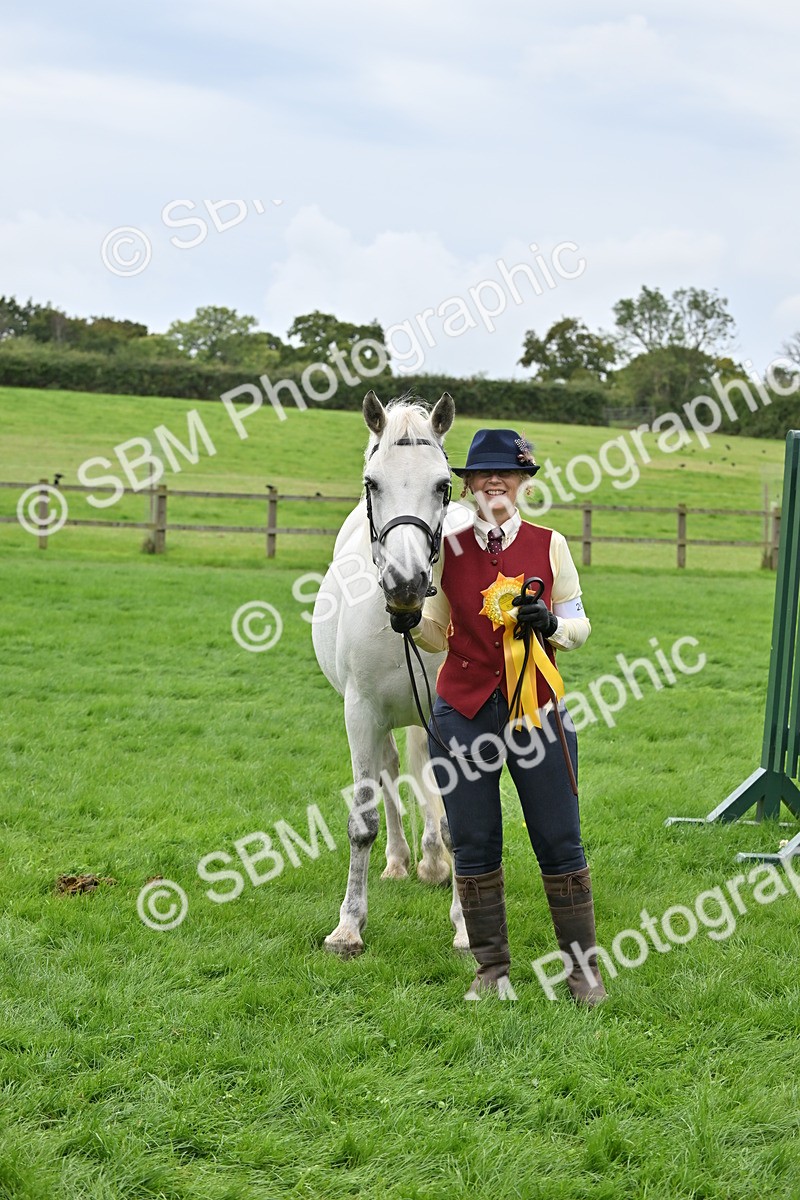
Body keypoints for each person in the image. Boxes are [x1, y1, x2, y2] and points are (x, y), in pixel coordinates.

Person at [404, 428, 606, 1005]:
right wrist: (409, 618)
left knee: (559, 836)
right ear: (467, 485)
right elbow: (437, 634)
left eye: (507, 473)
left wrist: (553, 626)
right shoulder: (448, 549)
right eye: (483, 474)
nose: (495, 481)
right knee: (472, 839)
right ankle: (491, 971)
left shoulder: (551, 543)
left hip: (536, 708)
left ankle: (582, 972)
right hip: (464, 709)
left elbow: (580, 623)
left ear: (521, 483)